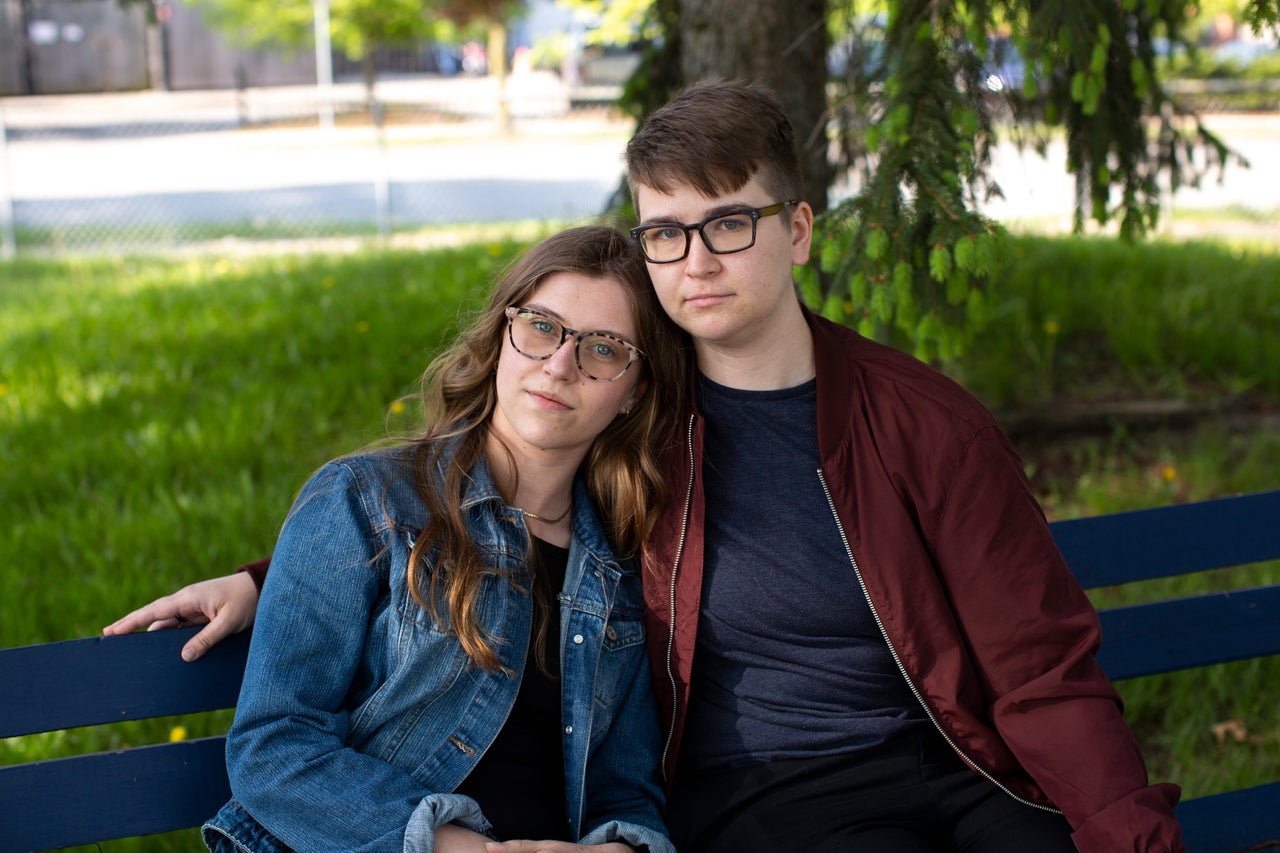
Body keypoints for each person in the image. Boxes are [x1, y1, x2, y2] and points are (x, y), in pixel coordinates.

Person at [110, 81, 1186, 853]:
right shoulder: (609, 435)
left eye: (728, 221)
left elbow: (1039, 663)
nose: (695, 259)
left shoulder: (897, 431)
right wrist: (270, 578)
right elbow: (442, 505)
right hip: (761, 797)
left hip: (947, 770)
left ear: (798, 229)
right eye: (665, 233)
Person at [106, 225, 684, 853]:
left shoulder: (621, 569)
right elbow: (273, 743)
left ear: (635, 392)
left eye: (603, 349)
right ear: (500, 339)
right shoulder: (363, 501)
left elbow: (626, 792)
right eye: (541, 326)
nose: (559, 365)